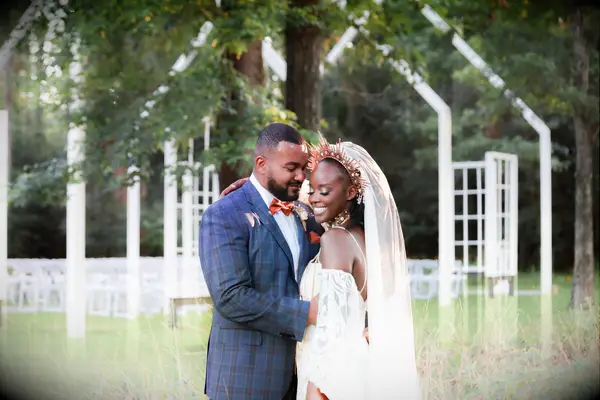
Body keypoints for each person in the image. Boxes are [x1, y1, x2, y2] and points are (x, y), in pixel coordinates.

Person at [199, 123, 324, 400]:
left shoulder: (304, 213)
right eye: (291, 168)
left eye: (304, 168)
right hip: (245, 377)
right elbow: (231, 297)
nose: (301, 176)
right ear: (261, 163)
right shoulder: (224, 214)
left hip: (303, 375)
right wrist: (306, 314)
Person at [296, 136, 421, 399]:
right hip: (358, 367)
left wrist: (313, 391)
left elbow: (331, 334)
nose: (315, 198)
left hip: (331, 379)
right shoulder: (366, 241)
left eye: (325, 191)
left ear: (351, 192)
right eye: (313, 189)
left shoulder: (335, 240)